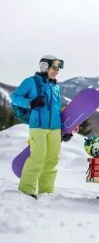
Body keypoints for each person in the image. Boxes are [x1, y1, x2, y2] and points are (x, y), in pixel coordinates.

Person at [11, 55, 72, 199]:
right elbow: (14, 97)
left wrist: (65, 131)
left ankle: (47, 191)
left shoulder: (55, 87)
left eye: (58, 69)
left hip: (55, 129)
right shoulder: (31, 82)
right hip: (37, 126)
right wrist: (30, 103)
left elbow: (57, 111)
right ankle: (26, 190)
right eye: (54, 68)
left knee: (52, 159)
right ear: (44, 67)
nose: (56, 71)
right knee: (37, 157)